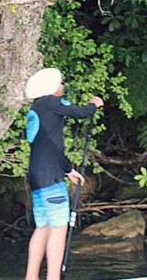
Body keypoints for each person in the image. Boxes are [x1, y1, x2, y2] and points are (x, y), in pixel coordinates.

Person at [23, 67, 104, 280]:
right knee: (59, 229)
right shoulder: (51, 102)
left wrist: (69, 170)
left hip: (37, 176)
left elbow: (51, 147)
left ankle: (31, 277)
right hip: (51, 178)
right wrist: (94, 104)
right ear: (51, 86)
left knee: (43, 227)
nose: (63, 86)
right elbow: (80, 112)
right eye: (61, 82)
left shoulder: (37, 107)